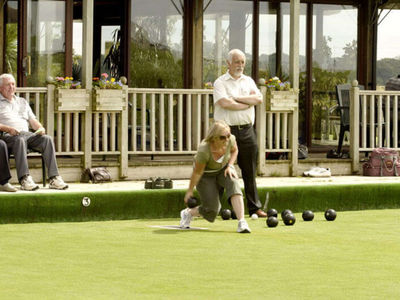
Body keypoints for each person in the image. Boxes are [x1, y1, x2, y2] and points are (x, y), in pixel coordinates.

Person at [212, 49, 266, 218]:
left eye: (242, 62)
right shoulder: (220, 82)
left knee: (250, 170)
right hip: (225, 133)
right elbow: (224, 103)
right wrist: (245, 102)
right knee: (222, 170)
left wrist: (236, 98)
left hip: (247, 131)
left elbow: (258, 99)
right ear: (228, 63)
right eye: (237, 62)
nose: (240, 65)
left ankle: (254, 207)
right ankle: (213, 207)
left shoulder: (248, 81)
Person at [180, 120, 251, 233]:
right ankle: (188, 213)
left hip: (223, 170)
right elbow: (197, 172)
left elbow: (235, 150)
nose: (227, 139)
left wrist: (230, 165)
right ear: (214, 138)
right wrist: (189, 190)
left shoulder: (230, 139)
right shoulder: (204, 150)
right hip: (205, 175)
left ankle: (242, 222)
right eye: (223, 137)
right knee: (213, 210)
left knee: (233, 181)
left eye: (228, 135)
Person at [0, 73, 68, 191]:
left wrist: (40, 128)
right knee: (19, 139)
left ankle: (54, 178)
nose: (11, 87)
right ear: (0, 88)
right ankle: (24, 179)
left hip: (27, 135)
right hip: (7, 136)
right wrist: (9, 129)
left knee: (47, 139)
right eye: (7, 85)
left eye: (13, 84)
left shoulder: (22, 101)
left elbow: (33, 121)